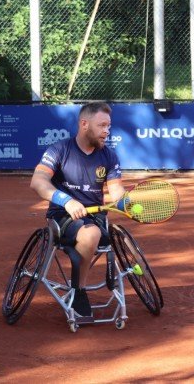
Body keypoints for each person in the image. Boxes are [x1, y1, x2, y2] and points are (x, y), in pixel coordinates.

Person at [30, 102, 126, 319]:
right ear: (84, 124)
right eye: (102, 126)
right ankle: (78, 291)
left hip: (96, 218)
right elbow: (38, 181)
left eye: (109, 126)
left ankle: (81, 274)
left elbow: (116, 190)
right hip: (62, 218)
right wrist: (67, 201)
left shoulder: (109, 156)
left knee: (96, 231)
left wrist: (126, 202)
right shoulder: (59, 150)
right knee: (90, 233)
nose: (106, 131)